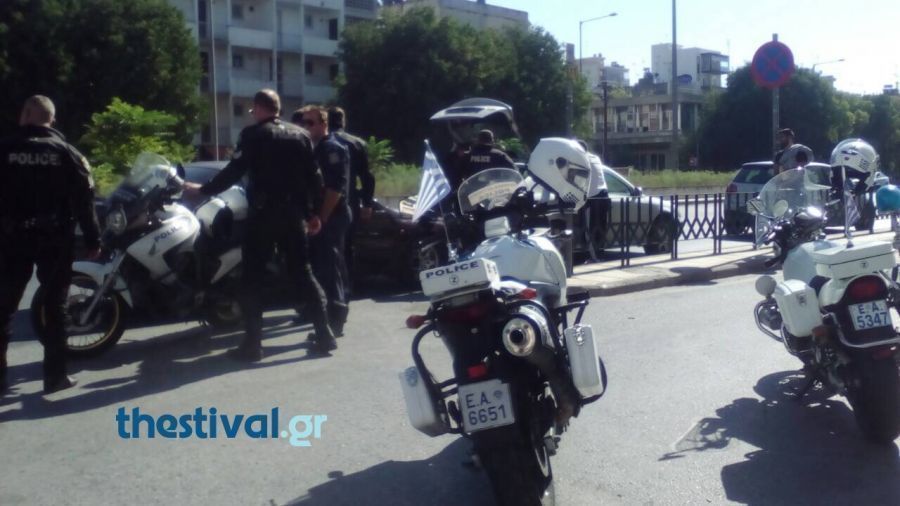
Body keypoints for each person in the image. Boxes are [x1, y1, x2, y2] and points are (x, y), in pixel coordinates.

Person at [183, 89, 337, 360]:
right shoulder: (301, 135)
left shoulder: (253, 135)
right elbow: (315, 178)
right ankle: (325, 335)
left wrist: (203, 190)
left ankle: (252, 345)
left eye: (253, 110)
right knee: (303, 273)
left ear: (259, 108)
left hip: (264, 215)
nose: (252, 114)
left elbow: (234, 171)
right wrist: (313, 213)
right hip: (293, 215)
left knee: (252, 278)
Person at [0, 95, 101, 394]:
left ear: (25, 114)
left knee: (4, 307)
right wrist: (93, 238)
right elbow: (85, 201)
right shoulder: (68, 153)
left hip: (10, 237)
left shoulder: (4, 149)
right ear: (52, 119)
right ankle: (55, 376)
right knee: (55, 307)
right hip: (54, 239)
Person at [293, 106, 352, 337]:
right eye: (303, 123)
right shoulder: (313, 148)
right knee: (320, 268)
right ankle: (328, 320)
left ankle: (335, 321)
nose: (305, 127)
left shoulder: (332, 148)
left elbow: (335, 189)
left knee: (330, 269)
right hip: (318, 217)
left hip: (331, 216)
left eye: (310, 123)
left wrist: (322, 218)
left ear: (324, 124)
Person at [327, 107, 374, 282]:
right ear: (343, 121)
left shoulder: (321, 141)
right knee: (347, 245)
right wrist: (367, 204)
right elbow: (367, 177)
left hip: (323, 198)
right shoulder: (356, 143)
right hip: (349, 199)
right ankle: (347, 284)